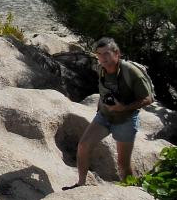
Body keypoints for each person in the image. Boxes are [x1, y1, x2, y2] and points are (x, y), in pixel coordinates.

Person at [64, 37, 154, 189]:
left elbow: (149, 98)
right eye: (99, 54)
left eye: (106, 53)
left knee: (122, 164)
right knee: (83, 146)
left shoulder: (131, 72)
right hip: (104, 116)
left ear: (116, 53)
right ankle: (81, 184)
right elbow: (103, 90)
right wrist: (102, 107)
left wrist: (123, 108)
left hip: (125, 120)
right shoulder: (101, 69)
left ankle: (130, 191)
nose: (102, 58)